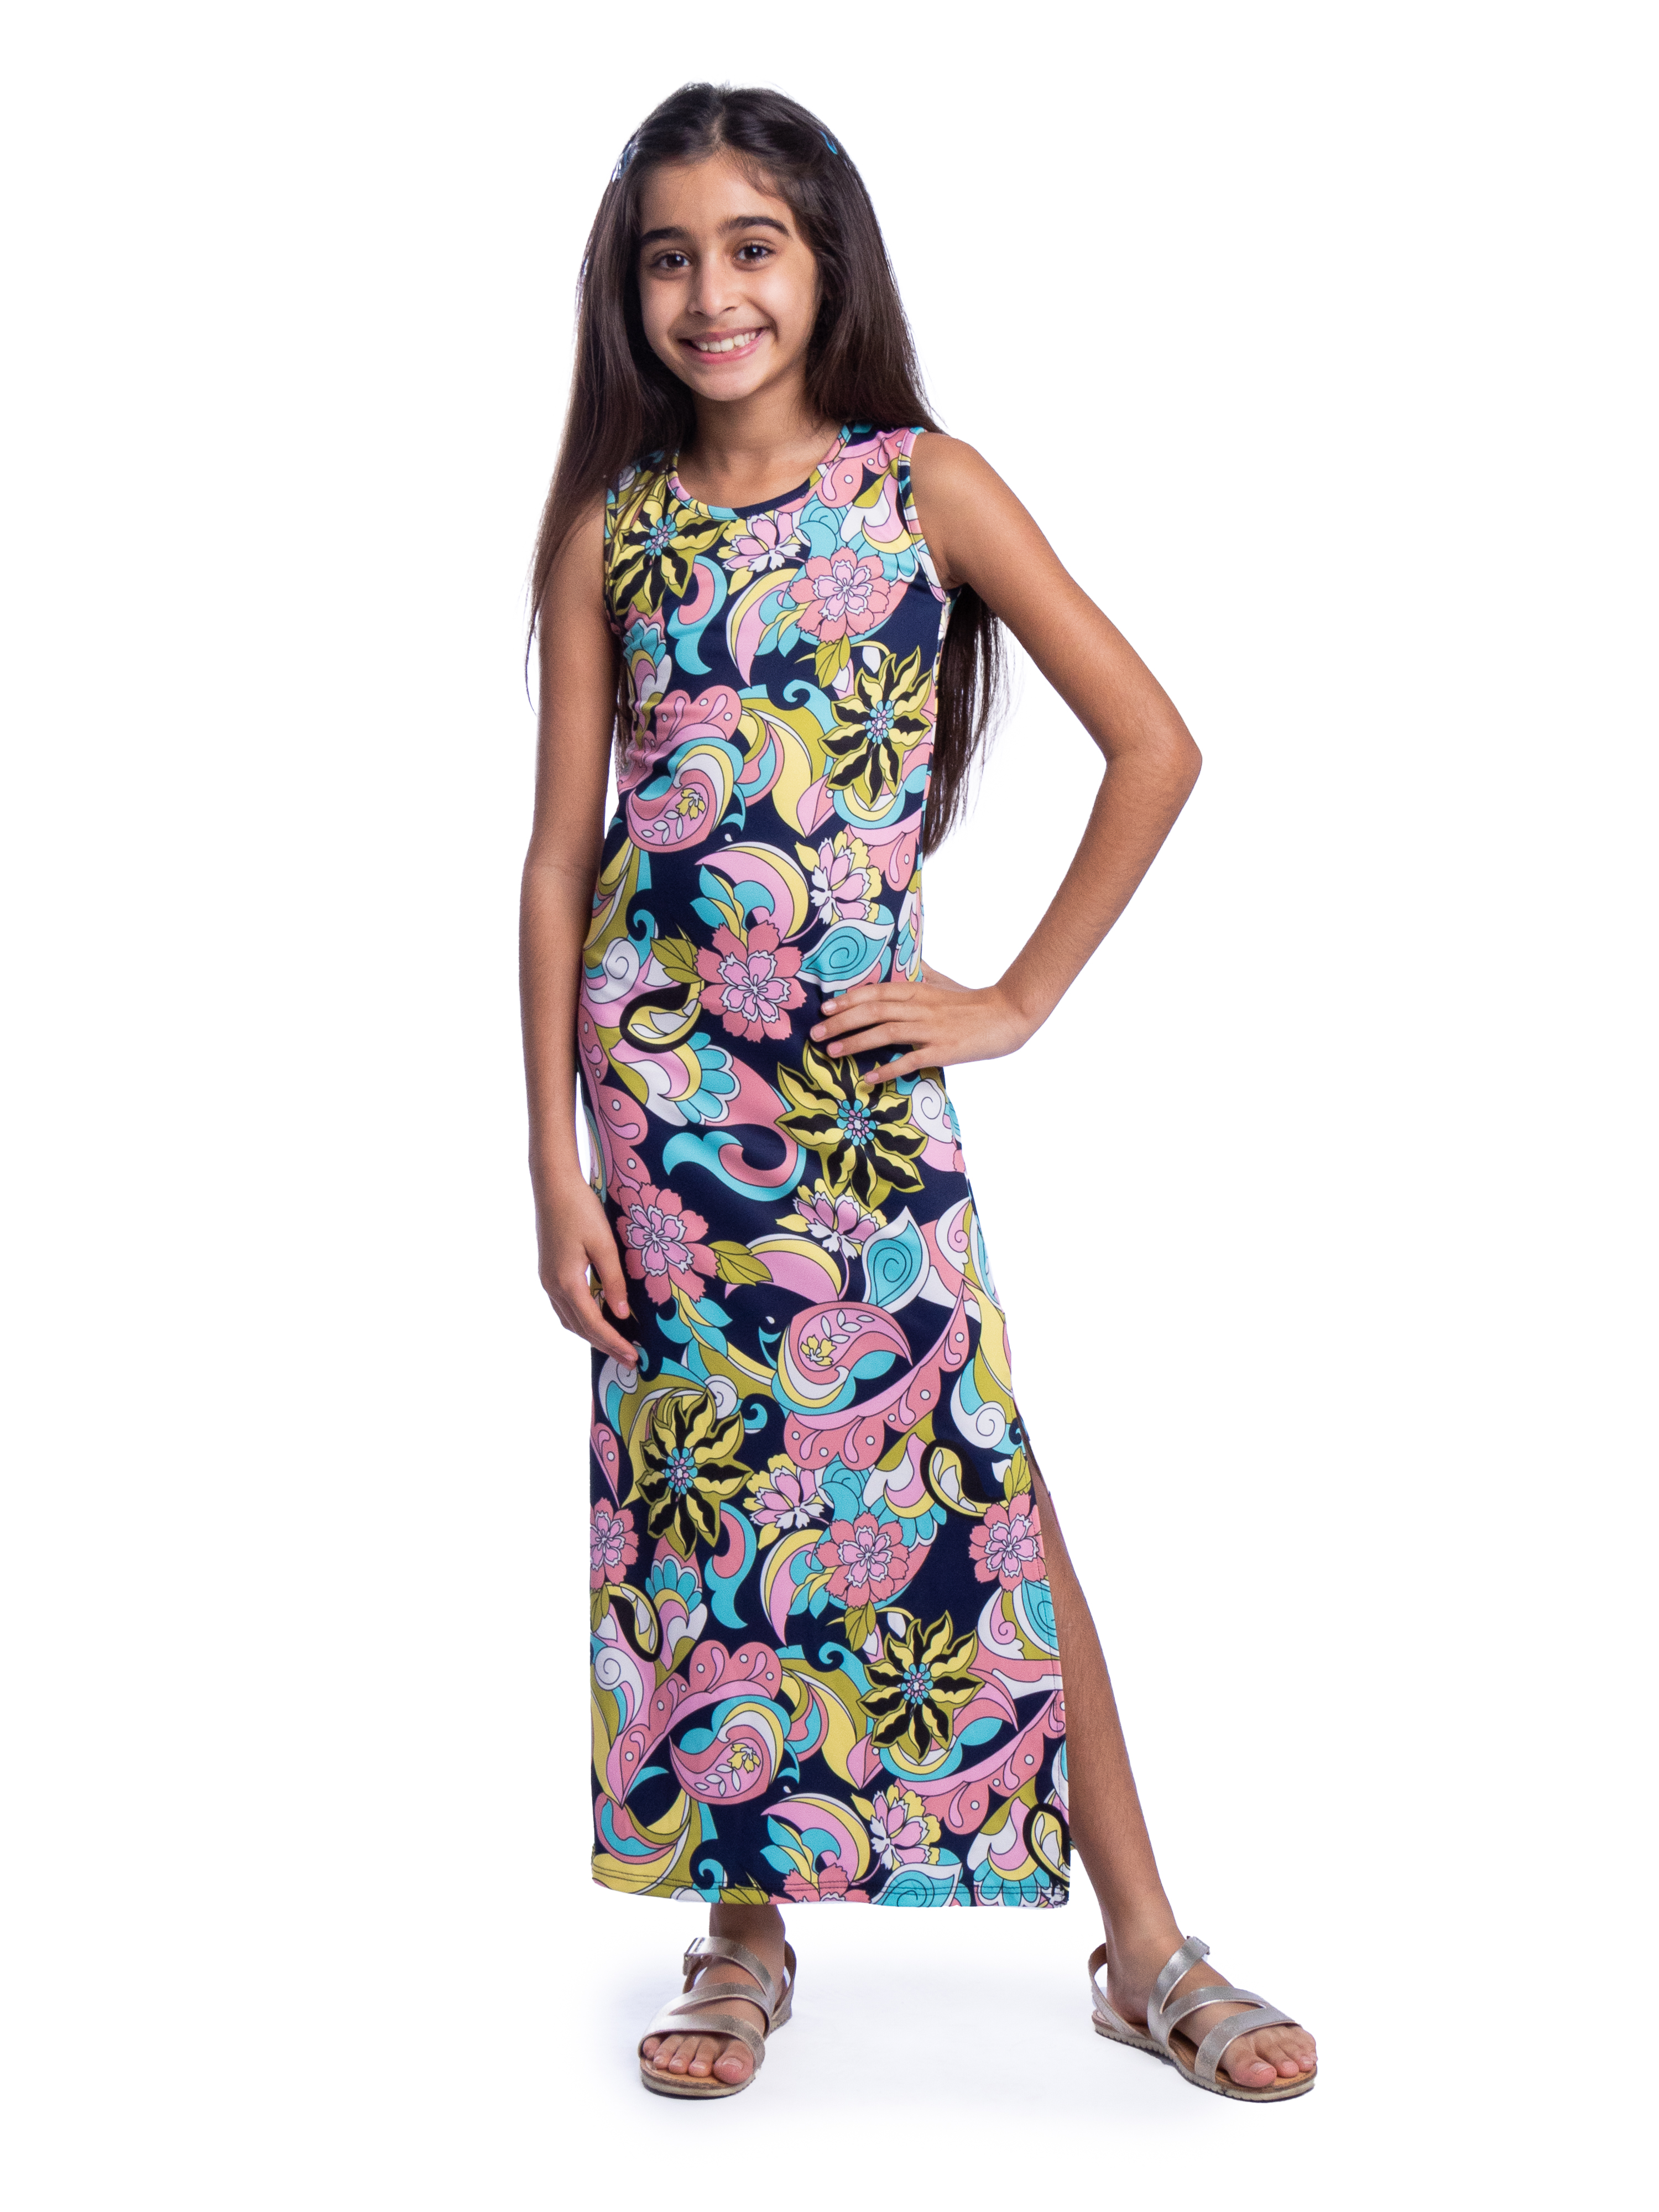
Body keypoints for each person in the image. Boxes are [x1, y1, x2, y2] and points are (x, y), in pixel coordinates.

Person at [520, 82, 1317, 2105]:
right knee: (710, 1511)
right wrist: (554, 1158)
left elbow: (1156, 742)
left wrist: (1018, 999)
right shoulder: (616, 524)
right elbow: (556, 856)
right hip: (659, 1105)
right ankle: (740, 1933)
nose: (711, 293)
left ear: (827, 262)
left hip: (853, 1103)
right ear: (630, 292)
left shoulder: (923, 489)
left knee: (982, 1481)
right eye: (670, 258)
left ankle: (1146, 1944)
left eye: (751, 246)